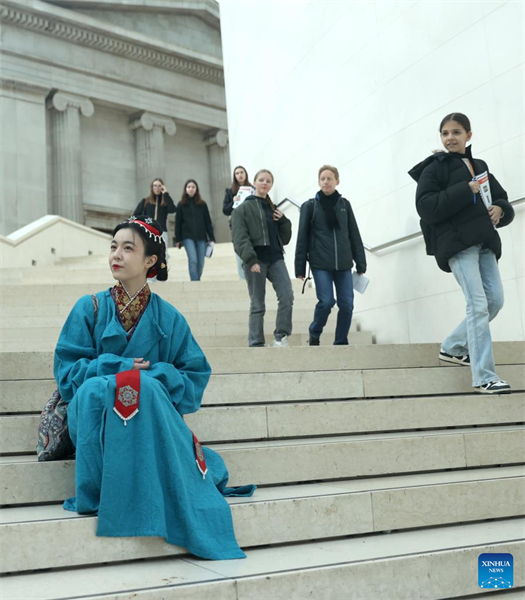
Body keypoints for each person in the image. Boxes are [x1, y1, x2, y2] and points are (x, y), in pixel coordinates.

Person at [53, 215, 255, 560]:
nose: (116, 254)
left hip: (146, 413)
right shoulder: (89, 308)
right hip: (94, 411)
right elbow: (68, 373)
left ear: (150, 261)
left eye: (127, 248)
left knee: (145, 387)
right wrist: (118, 368)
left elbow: (194, 376)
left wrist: (153, 376)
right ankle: (107, 489)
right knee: (104, 389)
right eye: (113, 246)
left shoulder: (169, 318)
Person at [409, 112, 515, 394]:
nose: (450, 138)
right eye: (445, 133)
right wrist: (464, 190)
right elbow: (426, 207)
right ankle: (484, 376)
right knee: (478, 305)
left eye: (456, 132)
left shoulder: (480, 166)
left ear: (469, 135)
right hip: (457, 244)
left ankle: (453, 347)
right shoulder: (435, 168)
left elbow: (503, 198)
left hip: (484, 243)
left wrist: (501, 209)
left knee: (495, 300)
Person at [295, 165, 366, 346]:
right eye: (322, 179)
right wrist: (299, 267)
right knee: (326, 302)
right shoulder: (309, 206)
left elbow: (354, 234)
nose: (326, 182)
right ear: (319, 182)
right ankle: (315, 331)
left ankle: (341, 341)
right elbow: (301, 238)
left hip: (343, 264)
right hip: (320, 264)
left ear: (337, 181)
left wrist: (361, 263)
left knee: (347, 305)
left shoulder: (344, 205)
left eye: (329, 178)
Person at [231, 169, 294, 347]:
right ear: (255, 183)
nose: (264, 183)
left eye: (268, 181)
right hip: (255, 259)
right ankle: (256, 342)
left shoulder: (273, 209)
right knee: (257, 303)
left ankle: (281, 337)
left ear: (271, 185)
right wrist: (251, 260)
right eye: (261, 180)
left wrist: (284, 221)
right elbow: (239, 237)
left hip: (275, 258)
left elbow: (286, 238)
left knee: (287, 295)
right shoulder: (242, 209)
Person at [174, 179, 215, 281]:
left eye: (193, 187)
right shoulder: (181, 205)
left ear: (196, 189)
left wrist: (211, 237)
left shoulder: (202, 204)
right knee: (193, 260)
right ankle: (194, 282)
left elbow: (208, 222)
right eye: (189, 187)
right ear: (185, 189)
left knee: (201, 262)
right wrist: (177, 239)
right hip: (187, 237)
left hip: (201, 237)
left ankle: (197, 281)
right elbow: (177, 223)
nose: (191, 189)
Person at [223, 166, 253, 280]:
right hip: (237, 226)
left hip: (252, 225)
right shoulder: (230, 192)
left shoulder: (253, 189)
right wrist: (233, 201)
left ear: (245, 174)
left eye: (242, 172)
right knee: (240, 254)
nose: (240, 175)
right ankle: (243, 279)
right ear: (234, 176)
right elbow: (225, 210)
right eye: (237, 173)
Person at [133, 178, 175, 249]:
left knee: (162, 256)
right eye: (155, 186)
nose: (157, 188)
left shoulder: (164, 203)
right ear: (152, 188)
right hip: (148, 232)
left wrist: (166, 194)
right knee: (148, 254)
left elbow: (173, 209)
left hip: (162, 232)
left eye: (159, 186)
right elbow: (135, 215)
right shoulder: (145, 201)